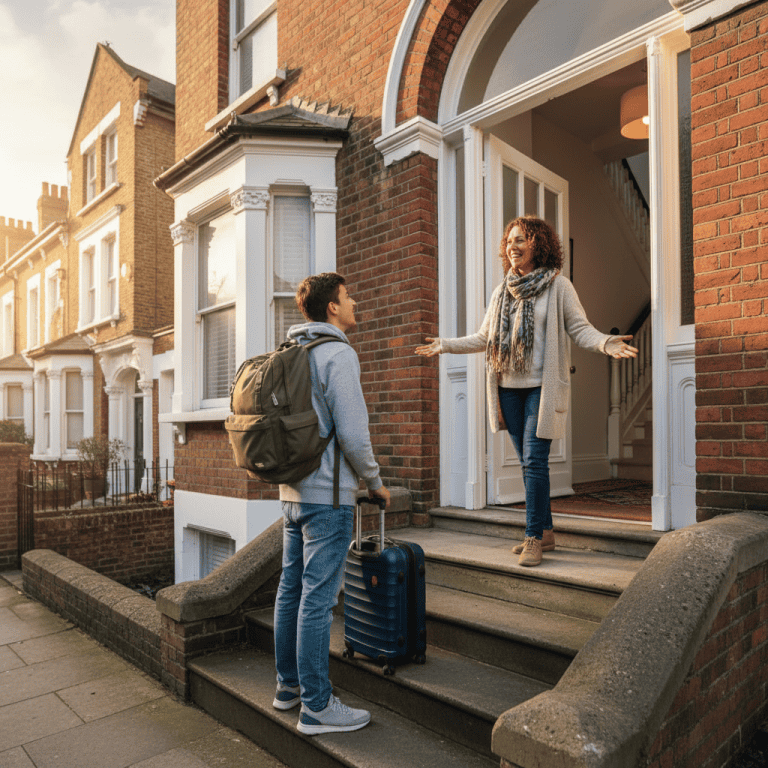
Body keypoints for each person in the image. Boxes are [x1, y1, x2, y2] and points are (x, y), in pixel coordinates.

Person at [416, 216, 637, 568]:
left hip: (541, 390)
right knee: (528, 463)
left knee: (535, 461)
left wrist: (606, 343)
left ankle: (533, 536)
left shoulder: (559, 287)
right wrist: (445, 345)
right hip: (507, 389)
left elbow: (580, 329)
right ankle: (546, 531)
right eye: (509, 242)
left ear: (539, 244)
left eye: (521, 240)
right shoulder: (502, 291)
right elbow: (484, 338)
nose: (512, 247)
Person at [272, 272, 390, 735]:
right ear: (332, 309)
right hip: (329, 497)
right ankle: (318, 706)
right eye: (348, 296)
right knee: (317, 600)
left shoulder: (292, 352)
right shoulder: (338, 353)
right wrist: (375, 482)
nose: (354, 300)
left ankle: (289, 689)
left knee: (291, 590)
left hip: (292, 495)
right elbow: (355, 436)